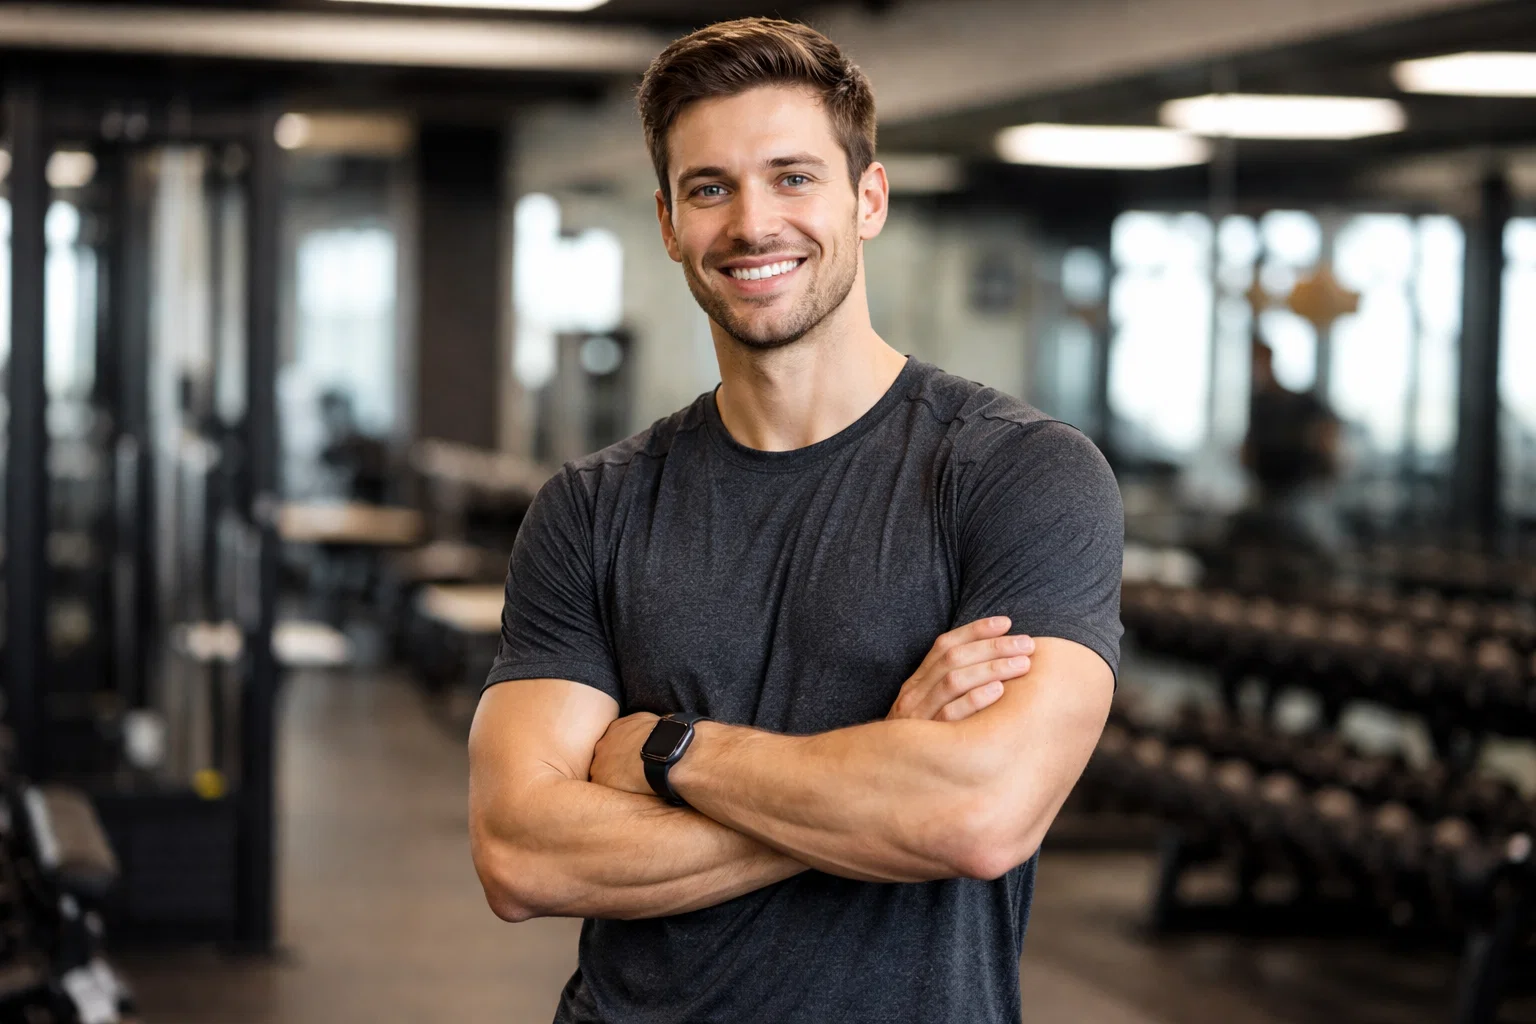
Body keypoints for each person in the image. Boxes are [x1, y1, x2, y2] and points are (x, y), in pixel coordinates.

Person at [468, 18, 1121, 1024]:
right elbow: (519, 851)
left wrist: (664, 754)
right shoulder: (590, 508)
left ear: (869, 199)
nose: (752, 223)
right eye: (710, 187)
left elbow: (980, 815)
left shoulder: (1019, 476)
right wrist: (885, 767)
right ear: (667, 221)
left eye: (793, 177)